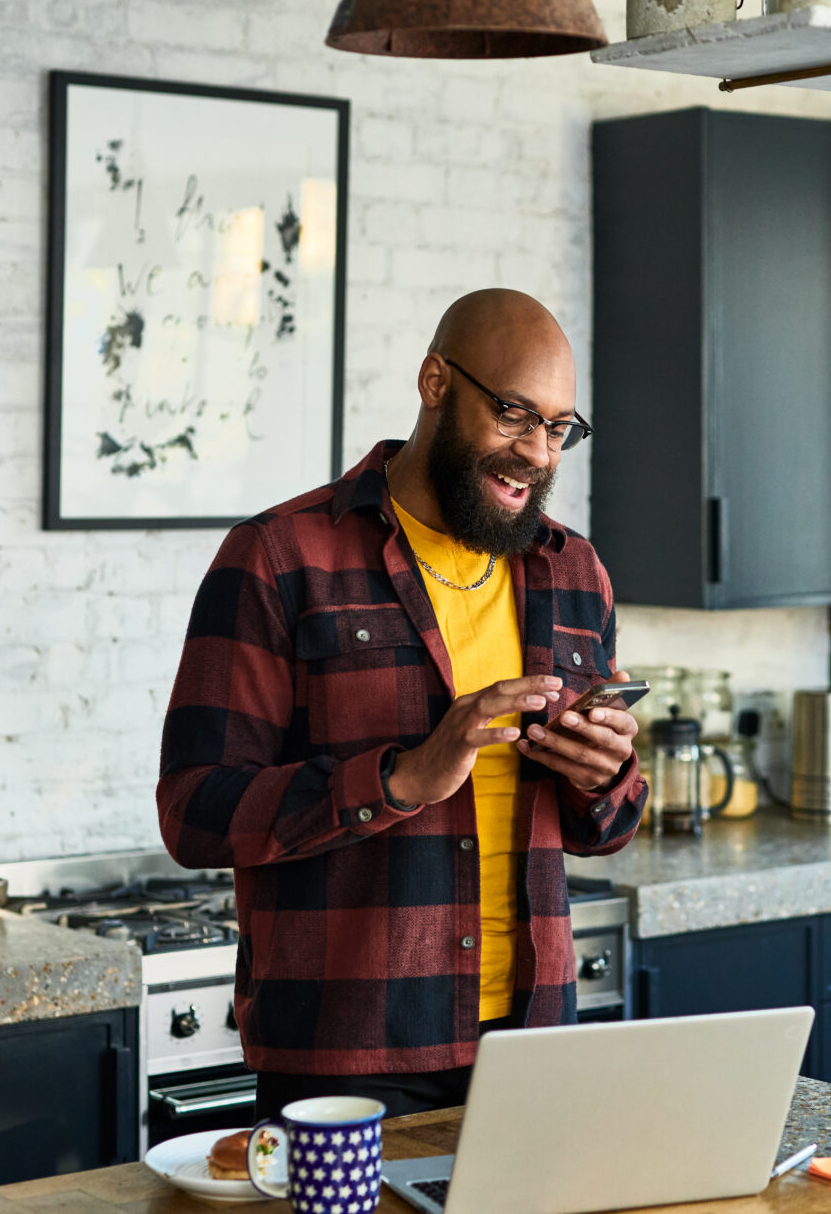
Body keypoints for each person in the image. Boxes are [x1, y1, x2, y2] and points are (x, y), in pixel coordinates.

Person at [155, 289, 648, 1121]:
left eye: (558, 427)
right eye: (513, 413)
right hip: (346, 1050)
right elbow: (194, 811)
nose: (535, 451)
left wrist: (607, 779)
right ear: (434, 383)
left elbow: (610, 827)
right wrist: (402, 778)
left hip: (533, 1037)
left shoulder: (575, 572)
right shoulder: (280, 557)